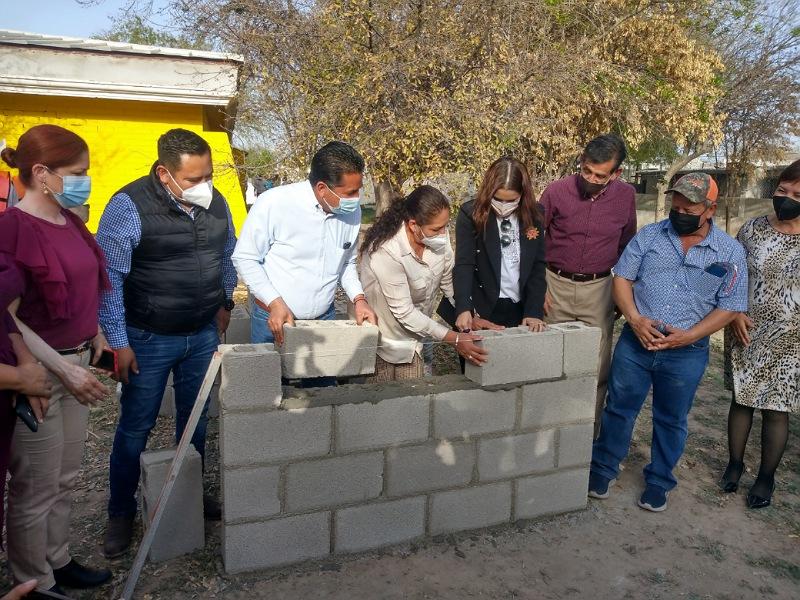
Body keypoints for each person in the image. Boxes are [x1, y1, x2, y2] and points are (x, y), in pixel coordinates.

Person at [96, 128, 238, 557]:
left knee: (195, 421)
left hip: (200, 334)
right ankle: (120, 512)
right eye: (194, 178)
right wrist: (119, 341)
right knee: (135, 426)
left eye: (208, 175)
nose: (204, 186)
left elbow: (226, 254)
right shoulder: (127, 206)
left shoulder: (217, 203)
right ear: (164, 174)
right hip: (149, 337)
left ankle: (187, 495)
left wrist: (225, 301)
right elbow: (110, 281)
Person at [588, 172, 747, 512]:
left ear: (710, 209)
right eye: (675, 205)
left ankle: (659, 480)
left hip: (686, 353)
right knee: (619, 408)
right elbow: (623, 278)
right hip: (636, 343)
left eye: (689, 208)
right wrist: (634, 318)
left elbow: (731, 305)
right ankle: (603, 468)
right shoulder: (650, 236)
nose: (679, 212)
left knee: (671, 418)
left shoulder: (730, 252)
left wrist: (690, 335)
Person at [0, 125, 112, 597]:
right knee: (35, 488)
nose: (85, 181)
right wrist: (61, 369)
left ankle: (58, 560)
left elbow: (85, 288)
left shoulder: (72, 222)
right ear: (42, 173)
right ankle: (34, 583)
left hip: (78, 362)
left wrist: (97, 337)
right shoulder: (13, 228)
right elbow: (8, 317)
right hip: (41, 374)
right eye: (78, 173)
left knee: (65, 479)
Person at [232, 141, 377, 386]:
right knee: (267, 397)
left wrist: (359, 299)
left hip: (322, 321)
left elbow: (347, 263)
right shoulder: (274, 203)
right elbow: (245, 258)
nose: (357, 199)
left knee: (322, 400)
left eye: (359, 190)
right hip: (273, 322)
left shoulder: (350, 212)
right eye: (350, 193)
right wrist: (275, 302)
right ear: (322, 188)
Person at [539, 134, 637, 435]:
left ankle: (584, 438)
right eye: (587, 171)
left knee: (595, 370)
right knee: (550, 363)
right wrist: (536, 289)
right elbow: (532, 242)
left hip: (600, 289)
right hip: (554, 286)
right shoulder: (556, 192)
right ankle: (546, 433)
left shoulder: (626, 196)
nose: (592, 179)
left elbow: (627, 246)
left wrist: (621, 296)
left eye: (600, 175)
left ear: (616, 173)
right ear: (581, 162)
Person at [719, 159, 800, 509]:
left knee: (776, 409)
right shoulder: (751, 229)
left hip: (792, 338)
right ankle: (735, 464)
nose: (787, 197)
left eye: (797, 193)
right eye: (782, 190)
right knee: (742, 400)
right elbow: (731, 276)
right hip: (746, 328)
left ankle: (766, 476)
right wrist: (734, 312)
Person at [359, 185, 487, 381]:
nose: (443, 234)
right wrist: (454, 339)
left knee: (414, 399)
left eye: (446, 226)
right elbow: (404, 311)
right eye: (436, 229)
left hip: (418, 336)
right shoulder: (388, 250)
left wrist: (468, 311)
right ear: (413, 225)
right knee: (380, 401)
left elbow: (449, 283)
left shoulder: (439, 243)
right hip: (383, 339)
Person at [453, 157, 547, 333]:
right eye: (497, 199)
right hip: (484, 305)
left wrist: (534, 309)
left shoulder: (535, 215)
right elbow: (464, 264)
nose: (503, 206)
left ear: (522, 195)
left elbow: (537, 265)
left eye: (511, 200)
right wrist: (464, 307)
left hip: (521, 306)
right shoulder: (471, 214)